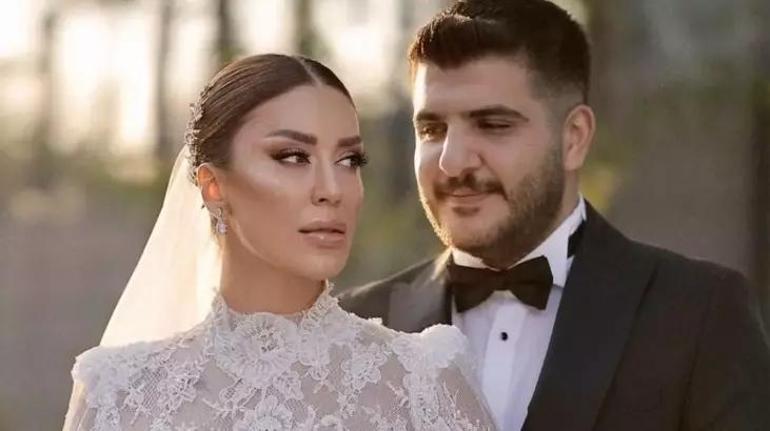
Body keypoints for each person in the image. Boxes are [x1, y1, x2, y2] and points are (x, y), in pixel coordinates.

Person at [338, 1, 770, 430]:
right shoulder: (353, 328)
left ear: (574, 138)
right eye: (432, 130)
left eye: (492, 125)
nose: (452, 162)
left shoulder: (700, 315)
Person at [62, 54, 495, 431]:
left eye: (349, 160)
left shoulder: (424, 381)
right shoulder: (117, 393)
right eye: (293, 157)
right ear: (213, 187)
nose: (333, 189)